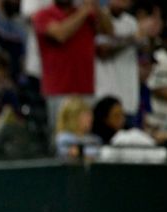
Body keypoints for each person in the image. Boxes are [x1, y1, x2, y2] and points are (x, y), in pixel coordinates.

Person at [32, 0, 113, 128]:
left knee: (85, 136)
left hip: (85, 89)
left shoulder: (87, 15)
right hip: (58, 91)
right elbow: (60, 34)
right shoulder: (44, 14)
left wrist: (96, 7)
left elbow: (108, 32)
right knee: (61, 137)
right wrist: (85, 11)